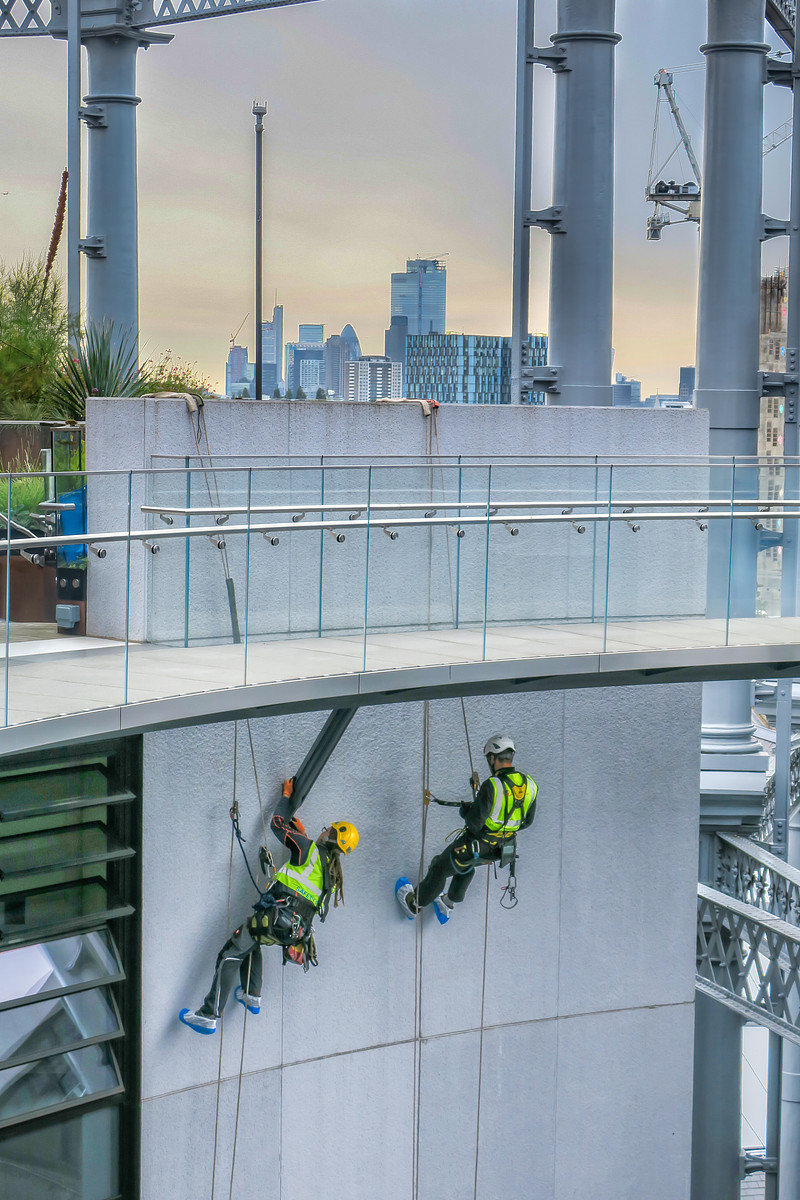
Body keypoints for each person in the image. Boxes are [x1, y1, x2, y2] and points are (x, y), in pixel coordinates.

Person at [179, 798, 359, 1034]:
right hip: (292, 931)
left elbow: (277, 824)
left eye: (329, 829)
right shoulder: (333, 877)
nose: (324, 830)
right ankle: (252, 996)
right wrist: (302, 836)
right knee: (253, 940)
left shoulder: (309, 848)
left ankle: (209, 1015)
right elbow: (308, 879)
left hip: (275, 918)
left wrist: (286, 798)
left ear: (333, 836)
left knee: (230, 953)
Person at [395, 734, 536, 925]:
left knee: (439, 868)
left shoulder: (492, 786)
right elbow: (526, 822)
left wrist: (467, 812)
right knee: (466, 866)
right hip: (501, 849)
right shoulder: (530, 785)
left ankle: (414, 905)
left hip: (477, 845)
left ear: (493, 758)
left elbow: (474, 823)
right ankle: (447, 903)